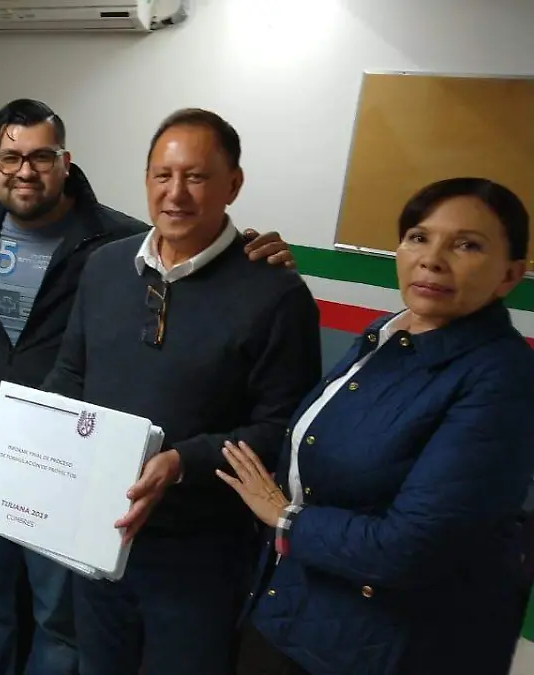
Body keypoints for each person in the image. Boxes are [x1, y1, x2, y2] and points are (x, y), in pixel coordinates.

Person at [0, 107, 324, 675]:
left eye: (196, 177)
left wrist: (181, 462)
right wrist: (15, 432)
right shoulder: (107, 267)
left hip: (200, 552)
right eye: (162, 175)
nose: (175, 193)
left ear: (233, 184)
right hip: (97, 531)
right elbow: (70, 375)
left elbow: (282, 429)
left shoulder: (275, 295)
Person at [219, 177, 534, 675]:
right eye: (418, 237)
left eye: (467, 245)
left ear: (510, 274)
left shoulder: (502, 377)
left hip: (384, 647)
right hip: (297, 609)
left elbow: (411, 548)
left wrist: (285, 517)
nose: (432, 259)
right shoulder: (391, 333)